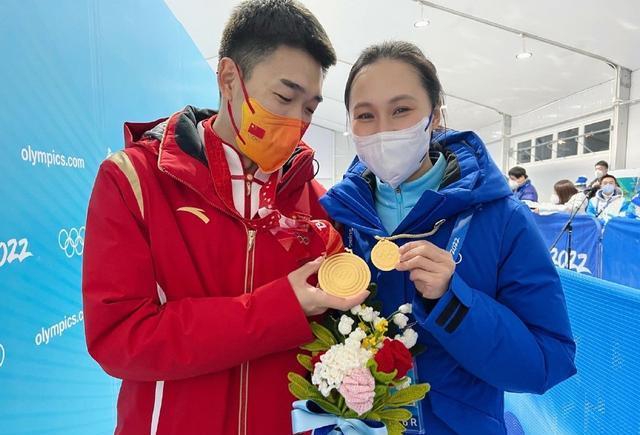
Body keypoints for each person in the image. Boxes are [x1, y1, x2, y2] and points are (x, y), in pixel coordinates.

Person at [81, 1, 369, 434]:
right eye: (284, 98)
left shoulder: (318, 206)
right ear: (229, 78)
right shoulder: (134, 180)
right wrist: (278, 310)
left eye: (309, 108)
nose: (296, 122)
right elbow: (120, 338)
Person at [320, 41, 576, 435]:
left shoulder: (501, 219)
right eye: (365, 115)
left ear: (435, 115)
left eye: (401, 110)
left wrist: (453, 302)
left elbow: (547, 363)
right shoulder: (335, 220)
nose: (383, 130)